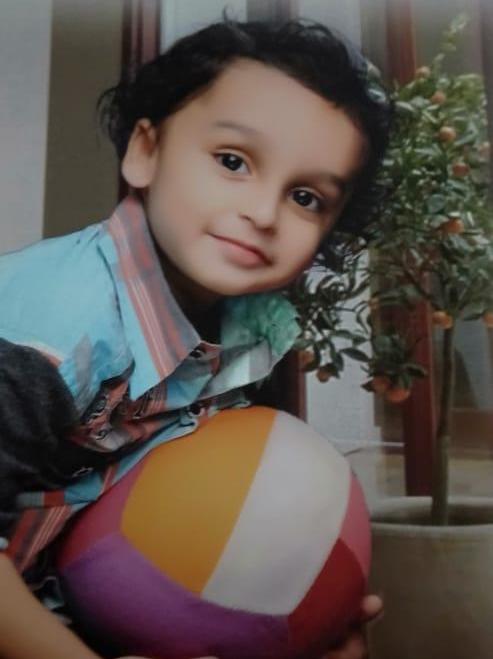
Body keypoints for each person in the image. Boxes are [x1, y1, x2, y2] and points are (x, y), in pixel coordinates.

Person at [0, 16, 390, 659]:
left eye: (305, 197)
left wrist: (305, 619)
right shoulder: (49, 334)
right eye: (233, 161)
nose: (262, 213)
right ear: (145, 151)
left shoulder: (248, 329)